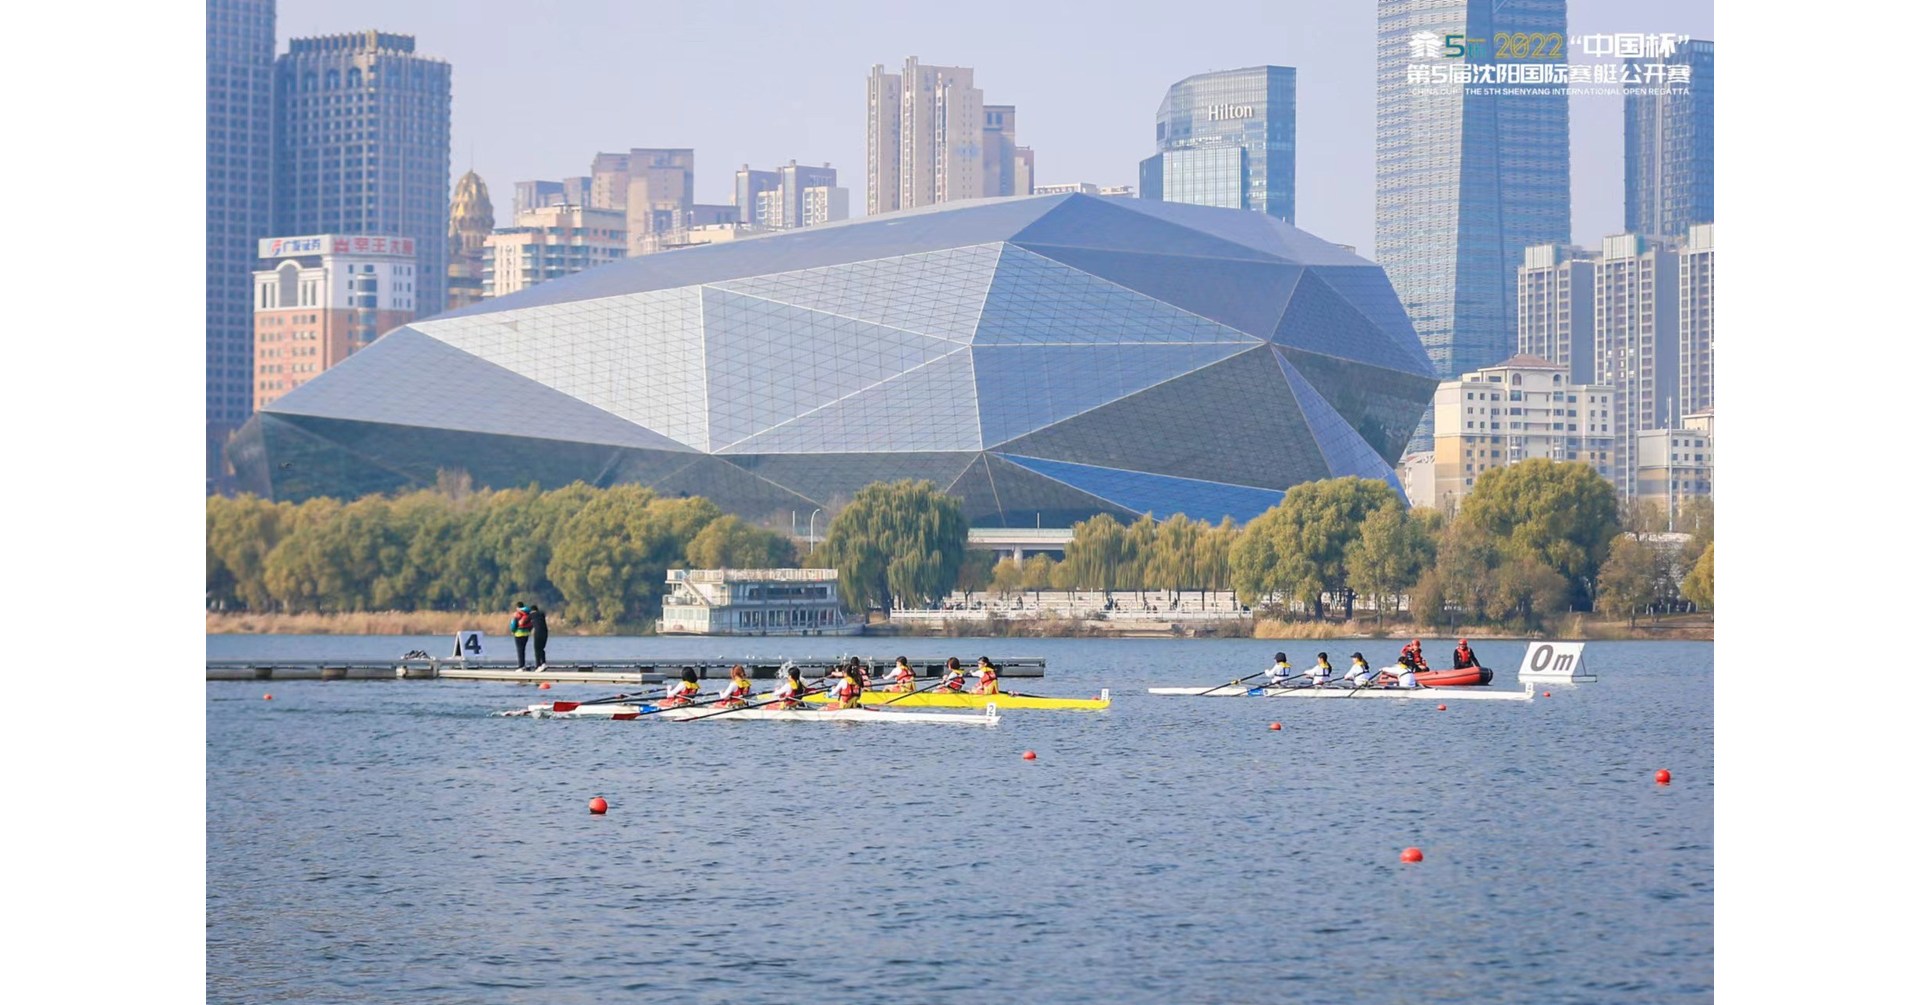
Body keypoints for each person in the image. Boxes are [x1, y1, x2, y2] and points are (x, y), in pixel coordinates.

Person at [509, 602, 533, 669]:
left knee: (520, 650)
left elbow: (513, 625)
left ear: (517, 607)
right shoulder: (528, 613)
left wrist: (513, 631)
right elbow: (531, 624)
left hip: (518, 634)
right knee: (523, 650)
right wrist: (528, 631)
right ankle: (523, 664)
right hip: (526, 634)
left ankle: (521, 666)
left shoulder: (517, 614)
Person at [529, 605, 550, 670]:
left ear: (532, 611)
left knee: (537, 649)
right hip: (545, 633)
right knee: (541, 648)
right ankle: (543, 663)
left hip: (538, 633)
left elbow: (526, 621)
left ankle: (538, 665)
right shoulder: (541, 614)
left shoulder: (532, 615)